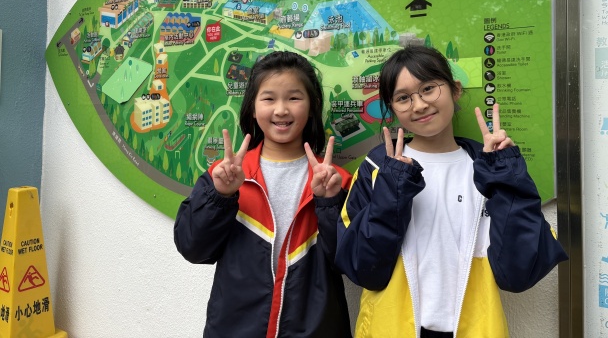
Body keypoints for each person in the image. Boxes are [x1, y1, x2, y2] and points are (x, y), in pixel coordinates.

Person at [335, 45, 568, 338]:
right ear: (391, 108)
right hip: (391, 328)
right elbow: (361, 269)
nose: (419, 105)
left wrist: (506, 175)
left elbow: (519, 273)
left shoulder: (490, 168)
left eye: (428, 89)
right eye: (403, 98)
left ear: (455, 90)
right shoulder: (377, 167)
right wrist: (392, 187)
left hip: (476, 330)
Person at [174, 51, 352, 338]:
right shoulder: (225, 176)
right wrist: (220, 197)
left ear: (312, 106)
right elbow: (192, 248)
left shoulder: (336, 182)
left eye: (294, 98)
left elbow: (350, 262)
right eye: (269, 99)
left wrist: (329, 203)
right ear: (253, 109)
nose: (281, 110)